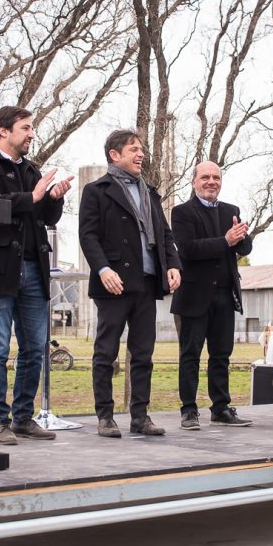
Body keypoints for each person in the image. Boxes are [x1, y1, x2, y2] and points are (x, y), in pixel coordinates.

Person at [0, 105, 73, 446]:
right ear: (3, 131)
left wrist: (53, 199)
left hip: (34, 269)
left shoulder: (30, 169)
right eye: (25, 127)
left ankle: (24, 418)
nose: (31, 134)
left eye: (31, 128)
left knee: (35, 348)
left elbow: (44, 217)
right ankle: (0, 421)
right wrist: (31, 196)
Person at [79, 129, 182, 438]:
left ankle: (140, 417)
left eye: (141, 149)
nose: (141, 155)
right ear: (115, 155)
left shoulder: (150, 192)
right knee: (105, 353)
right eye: (134, 149)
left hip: (146, 283)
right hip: (114, 283)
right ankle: (105, 417)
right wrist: (103, 269)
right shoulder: (96, 190)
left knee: (143, 354)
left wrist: (173, 264)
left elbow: (165, 234)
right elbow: (88, 235)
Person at [169, 161, 253, 430]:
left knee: (221, 355)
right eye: (205, 177)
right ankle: (189, 411)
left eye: (216, 177)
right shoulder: (181, 212)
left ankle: (221, 408)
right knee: (190, 355)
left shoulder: (231, 211)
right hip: (194, 296)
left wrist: (241, 237)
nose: (211, 182)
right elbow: (187, 250)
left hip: (225, 295)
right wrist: (225, 241)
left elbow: (244, 249)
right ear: (194, 182)